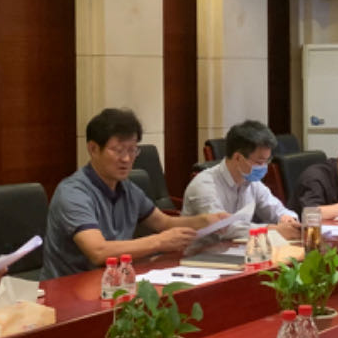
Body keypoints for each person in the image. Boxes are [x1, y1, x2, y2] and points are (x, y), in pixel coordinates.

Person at [42, 108, 216, 279]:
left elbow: (165, 222)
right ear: (93, 149)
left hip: (114, 281)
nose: (126, 159)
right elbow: (98, 251)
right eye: (118, 150)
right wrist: (159, 242)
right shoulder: (73, 193)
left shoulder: (128, 189)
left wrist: (206, 221)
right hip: (68, 287)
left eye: (132, 150)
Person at [182, 119, 300, 237]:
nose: (264, 167)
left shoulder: (252, 182)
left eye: (267, 161)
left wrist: (287, 218)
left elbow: (275, 208)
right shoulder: (204, 185)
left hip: (238, 246)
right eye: (259, 162)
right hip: (203, 247)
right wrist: (271, 230)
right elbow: (222, 228)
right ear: (238, 158)